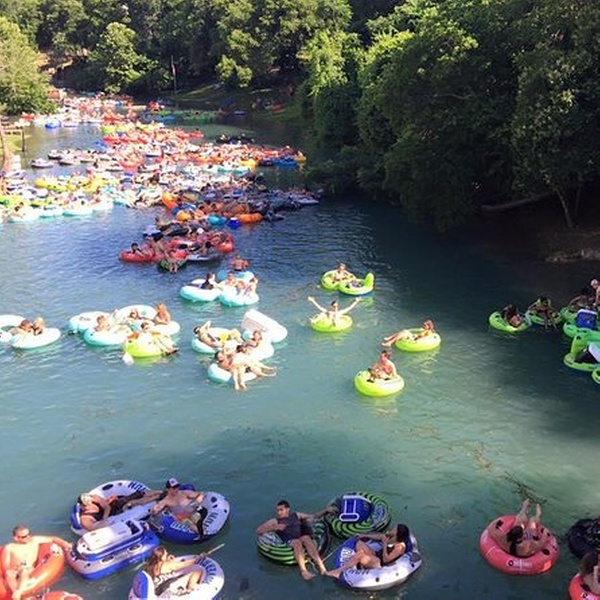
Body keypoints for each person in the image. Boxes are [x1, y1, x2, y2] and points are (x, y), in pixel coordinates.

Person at [256, 500, 335, 580]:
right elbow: (258, 530)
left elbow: (313, 516)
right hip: (288, 541)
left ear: (287, 509)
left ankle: (322, 568)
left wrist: (326, 510)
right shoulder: (275, 521)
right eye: (278, 510)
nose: (279, 512)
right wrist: (274, 527)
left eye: (281, 510)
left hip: (300, 537)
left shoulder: (296, 515)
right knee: (297, 542)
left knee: (306, 538)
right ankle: (304, 572)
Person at [1, 525, 72, 600]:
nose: (28, 537)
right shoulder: (9, 547)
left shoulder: (35, 540)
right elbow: (5, 566)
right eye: (24, 536)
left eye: (29, 534)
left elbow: (53, 539)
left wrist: (66, 545)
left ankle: (18, 592)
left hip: (28, 569)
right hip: (14, 570)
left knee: (24, 571)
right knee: (9, 573)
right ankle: (16, 593)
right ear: (16, 538)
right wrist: (13, 570)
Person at [327, 523, 412, 578]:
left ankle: (338, 572)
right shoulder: (391, 537)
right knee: (359, 543)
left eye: (395, 529)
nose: (393, 529)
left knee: (360, 554)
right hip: (376, 555)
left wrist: (385, 544)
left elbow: (386, 560)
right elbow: (380, 537)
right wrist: (363, 535)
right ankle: (361, 565)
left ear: (398, 534)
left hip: (380, 563)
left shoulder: (400, 547)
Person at [485, 498, 550, 558]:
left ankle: (524, 508)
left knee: (519, 520)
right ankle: (538, 513)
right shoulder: (528, 544)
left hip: (512, 545)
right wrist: (545, 532)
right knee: (532, 521)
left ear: (510, 532)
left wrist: (498, 522)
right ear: (522, 536)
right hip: (525, 546)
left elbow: (491, 528)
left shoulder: (503, 538)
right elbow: (542, 543)